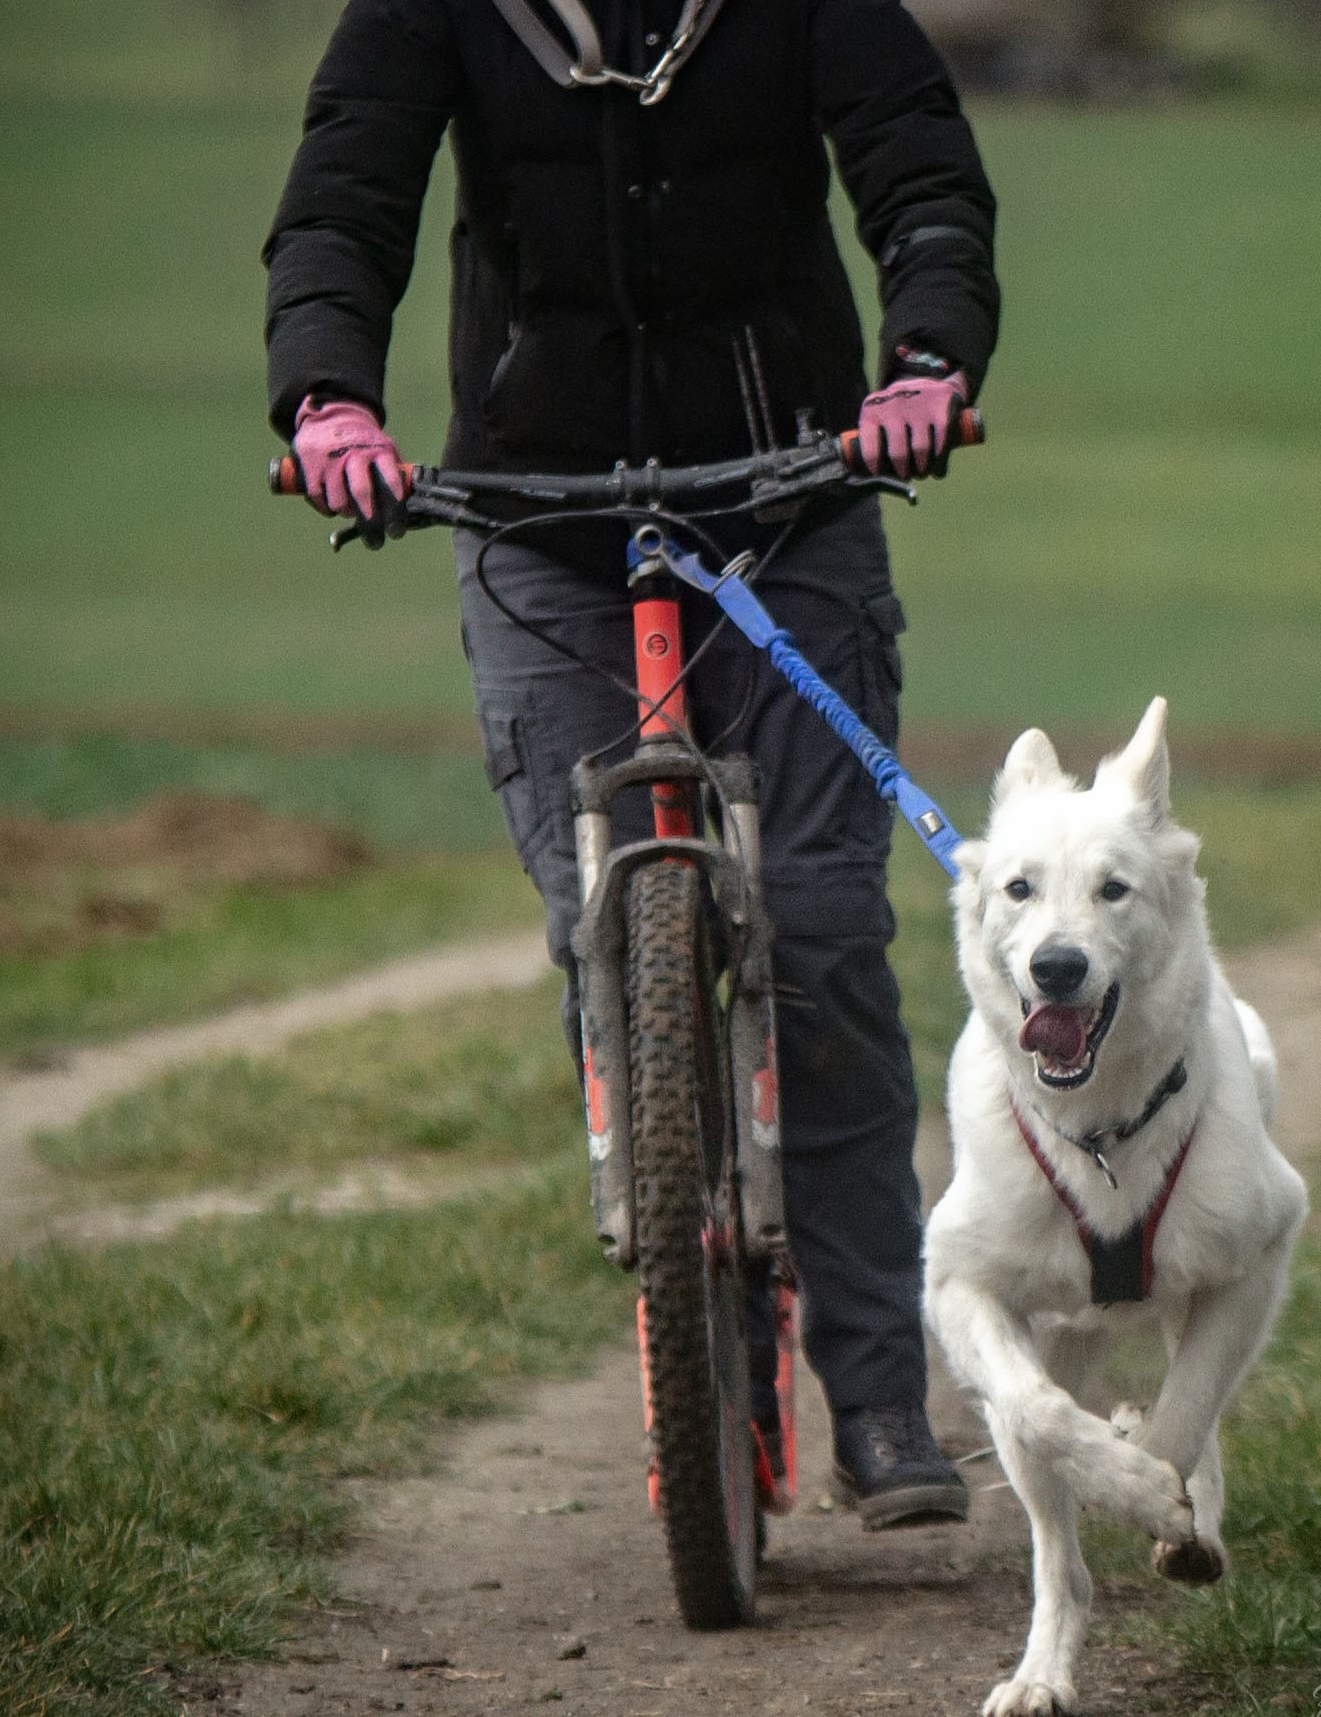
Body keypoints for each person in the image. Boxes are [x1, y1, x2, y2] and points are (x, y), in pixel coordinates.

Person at [265, 0, 999, 1528]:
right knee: (591, 926)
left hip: (785, 504)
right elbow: (345, 196)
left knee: (817, 926)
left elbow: (918, 169)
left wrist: (923, 362)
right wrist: (327, 395)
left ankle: (876, 1391)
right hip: (535, 521)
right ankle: (689, 1288)